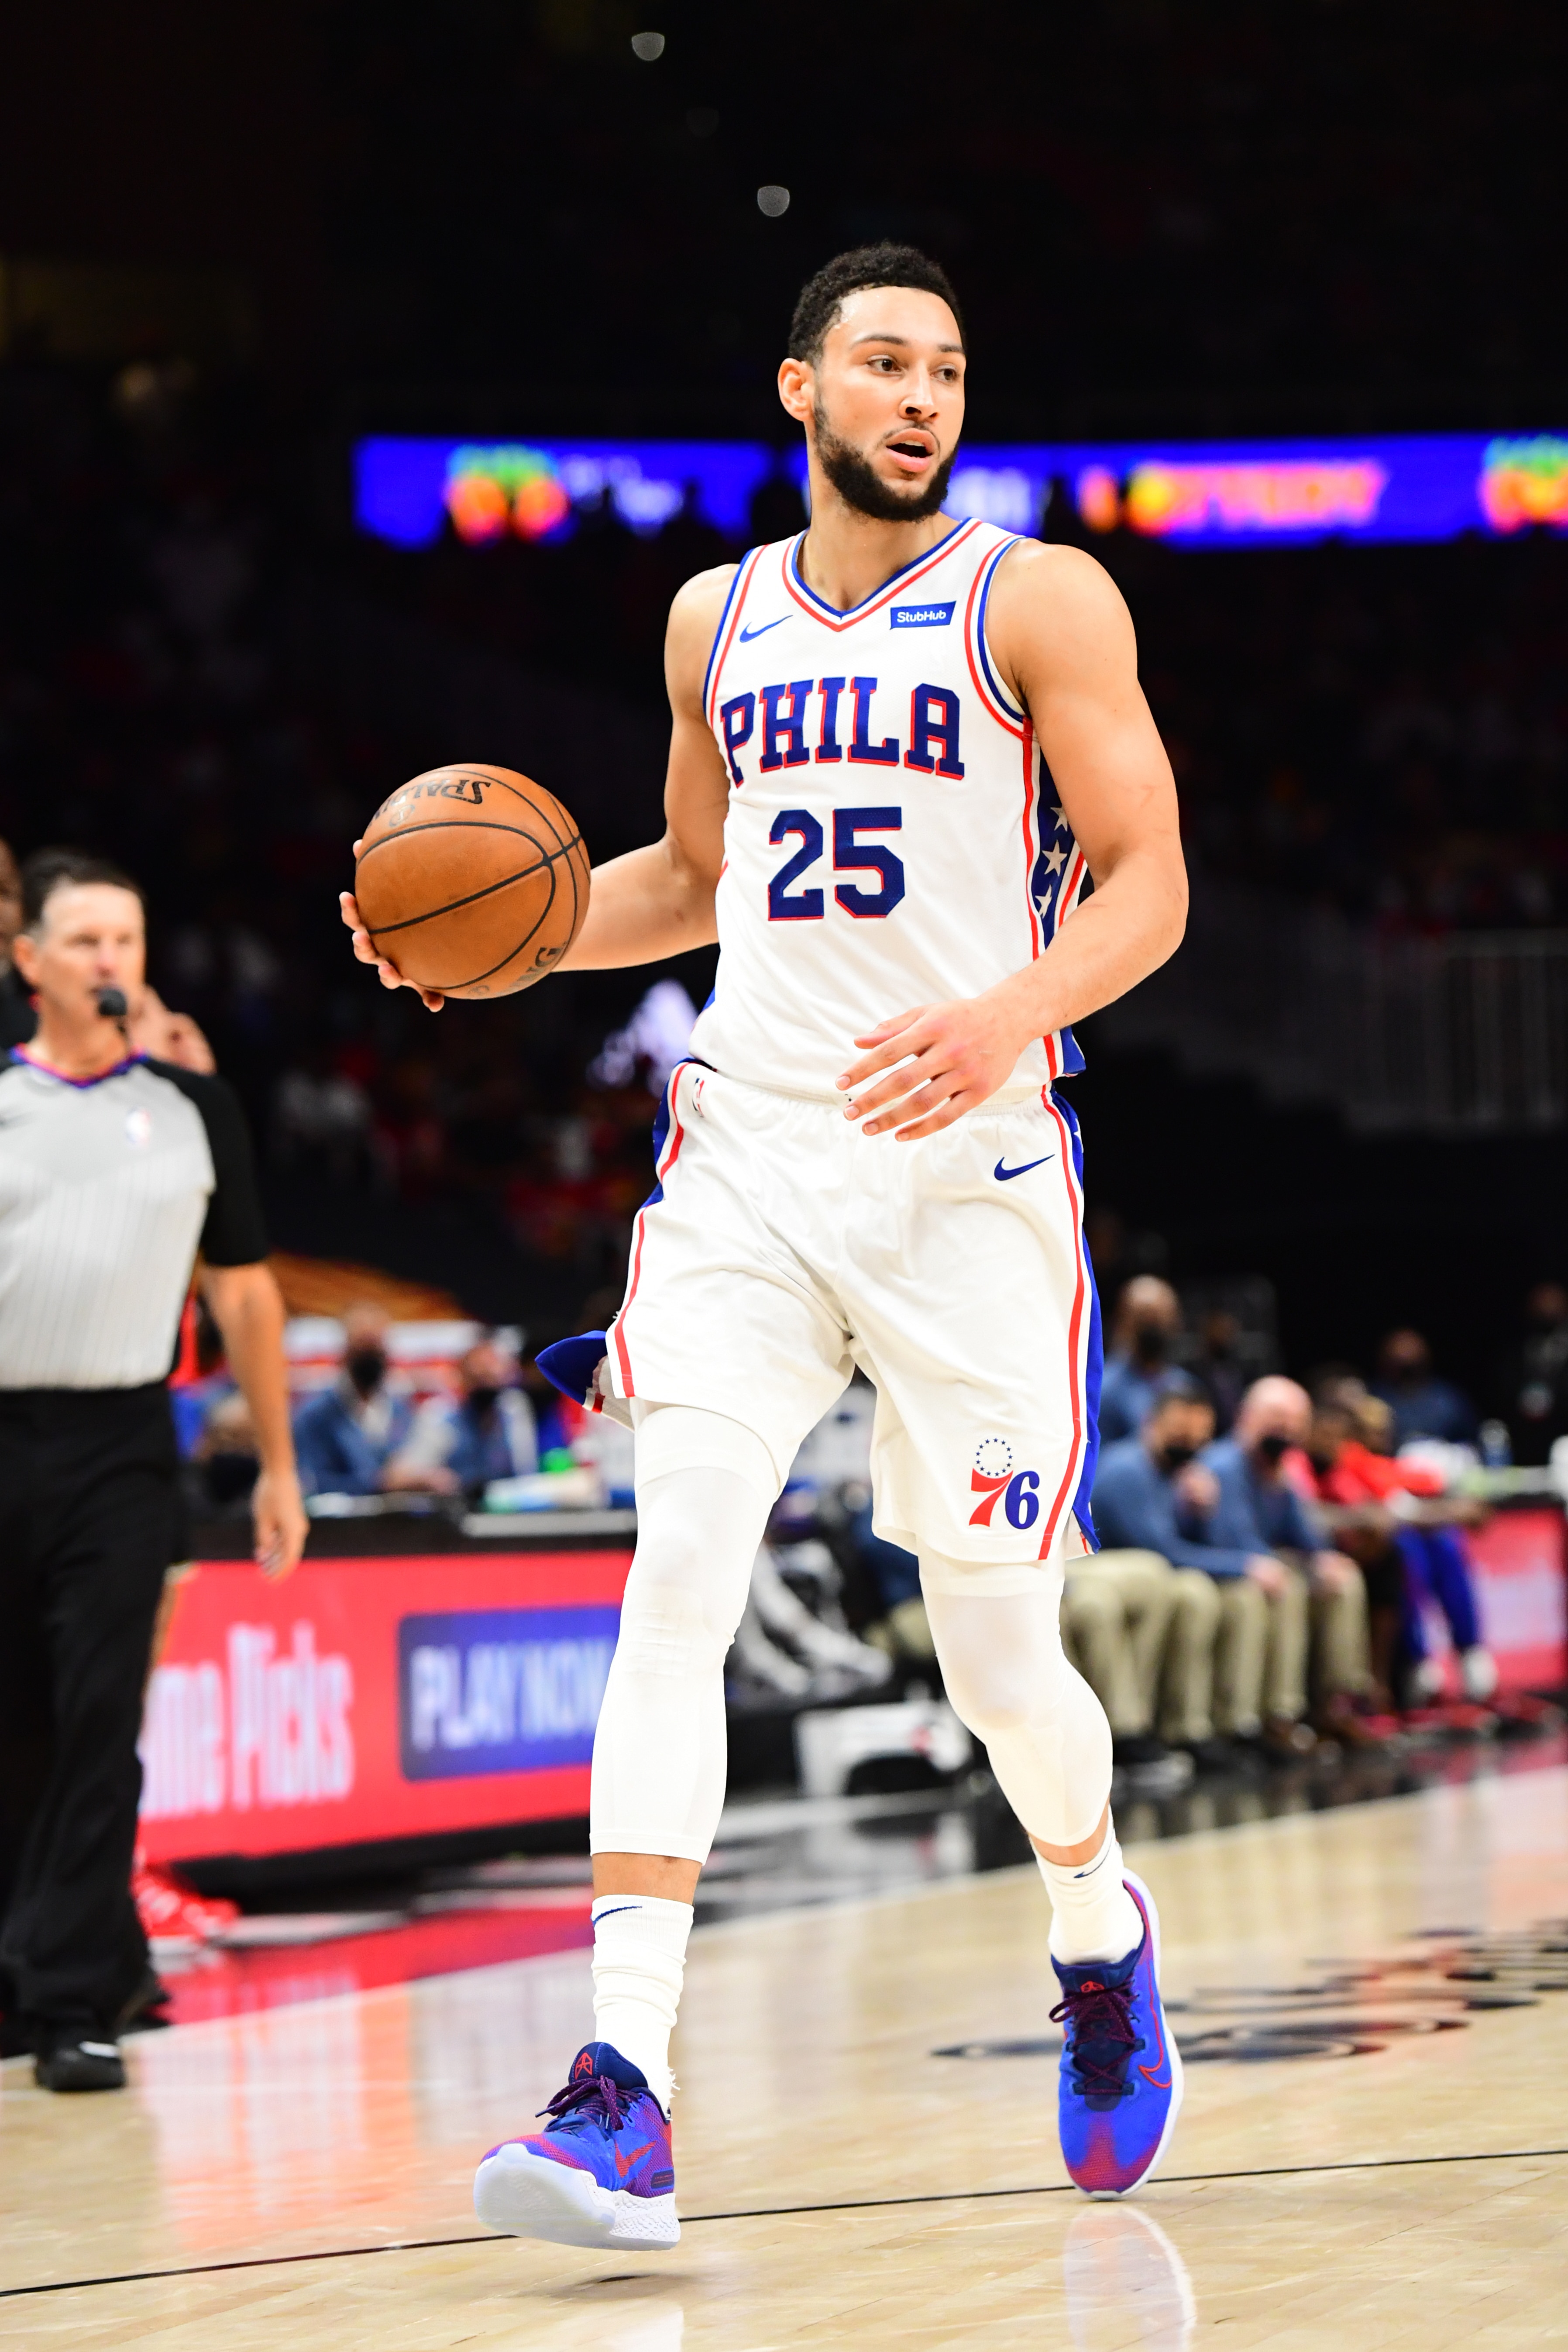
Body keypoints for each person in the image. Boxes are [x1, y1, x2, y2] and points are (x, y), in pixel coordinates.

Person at [347, 245, 1190, 2218]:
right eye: (884, 363)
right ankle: (618, 2078)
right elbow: (690, 879)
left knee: (994, 1658)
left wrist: (1007, 1008)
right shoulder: (706, 616)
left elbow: (1148, 883)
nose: (920, 396)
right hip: (748, 1155)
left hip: (969, 1168)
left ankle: (1092, 1923)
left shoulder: (1036, 595)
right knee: (677, 1571)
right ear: (798, 388)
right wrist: (504, 934)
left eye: (948, 370)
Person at [0, 849, 307, 2091]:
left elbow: (246, 1291)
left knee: (95, 1713)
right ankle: (49, 1971)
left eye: (126, 941)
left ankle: (76, 1997)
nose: (110, 962)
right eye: (84, 942)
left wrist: (279, 1462)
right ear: (28, 962)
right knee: (18, 1717)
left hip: (125, 1445)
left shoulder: (196, 1109)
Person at [1093, 1382, 1317, 1762]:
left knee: (1238, 1595)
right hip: (1106, 1570)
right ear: (1152, 1425)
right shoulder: (1128, 1468)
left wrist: (1199, 1512)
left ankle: (1239, 1723)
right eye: (1180, 1433)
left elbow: (1205, 1540)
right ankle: (1168, 1728)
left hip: (1156, 1571)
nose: (1190, 1445)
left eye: (1199, 1437)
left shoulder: (1183, 1474)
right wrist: (1243, 1565)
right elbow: (1162, 1551)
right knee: (1196, 1593)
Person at [1195, 1377, 1379, 1743]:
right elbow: (1231, 1539)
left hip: (1265, 1566)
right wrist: (1282, 1563)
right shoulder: (1224, 1465)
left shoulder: (1281, 1470)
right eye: (1277, 1416)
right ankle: (1280, 1714)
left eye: (1296, 1420)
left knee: (1343, 1577)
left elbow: (1309, 1538)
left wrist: (1323, 1559)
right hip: (1221, 1568)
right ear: (1248, 1416)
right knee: (1288, 1584)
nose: (1287, 1427)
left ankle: (1337, 1702)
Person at [385, 1333, 538, 1498]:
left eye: (492, 1375)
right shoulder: (442, 1415)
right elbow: (396, 1477)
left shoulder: (514, 1412)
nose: (486, 1380)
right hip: (458, 1510)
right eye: (479, 1376)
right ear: (463, 1377)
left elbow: (528, 1473)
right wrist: (430, 1478)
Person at [292, 1301, 414, 1497]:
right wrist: (379, 1483)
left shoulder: (401, 1410)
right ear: (346, 1350)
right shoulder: (316, 1414)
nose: (370, 1356)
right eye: (363, 1345)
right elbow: (312, 1482)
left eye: (376, 1346)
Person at [1098, 1276, 1183, 1444]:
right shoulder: (1104, 1389)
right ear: (1124, 1321)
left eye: (1161, 1317)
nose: (1154, 1326)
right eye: (1145, 1317)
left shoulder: (1184, 1386)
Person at [1372, 1329, 1477, 1449]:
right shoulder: (1375, 1398)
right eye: (1400, 1360)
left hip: (1442, 1463)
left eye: (1411, 1362)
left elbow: (1470, 1440)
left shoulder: (1447, 1398)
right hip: (1391, 1463)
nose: (1406, 1359)